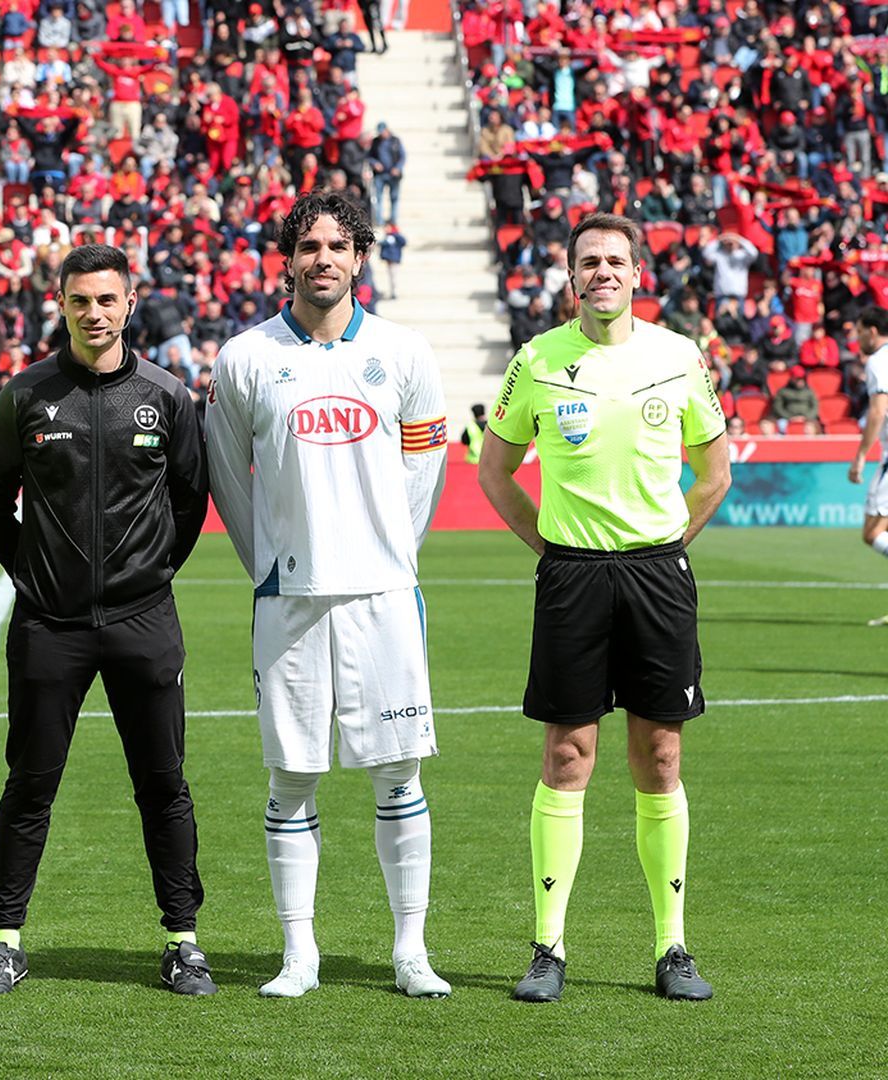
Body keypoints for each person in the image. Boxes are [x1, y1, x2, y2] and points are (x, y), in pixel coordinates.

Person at [477, 211, 731, 1004]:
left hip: (657, 575)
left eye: (615, 261)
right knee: (567, 756)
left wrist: (667, 547)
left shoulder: (679, 356)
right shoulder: (538, 360)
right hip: (574, 577)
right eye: (589, 262)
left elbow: (714, 472)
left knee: (660, 758)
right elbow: (495, 470)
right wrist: (550, 551)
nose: (603, 273)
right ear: (570, 276)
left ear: (637, 272)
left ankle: (671, 948)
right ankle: (548, 946)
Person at [206, 189, 452, 999]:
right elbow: (227, 480)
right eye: (309, 245)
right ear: (288, 258)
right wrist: (269, 564)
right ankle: (298, 956)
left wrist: (391, 552)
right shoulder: (245, 356)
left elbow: (424, 466)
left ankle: (410, 952)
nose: (323, 259)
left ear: (360, 256)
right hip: (291, 599)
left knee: (398, 776)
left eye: (337, 245)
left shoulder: (406, 353)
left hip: (384, 594)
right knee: (292, 778)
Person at [0, 243, 211, 997]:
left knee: (163, 783)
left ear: (129, 302)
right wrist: (40, 580)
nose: (94, 313)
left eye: (107, 300)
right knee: (30, 784)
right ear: (63, 305)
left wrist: (146, 575)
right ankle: (5, 940)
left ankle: (182, 940)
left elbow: (189, 502)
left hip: (145, 621)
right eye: (80, 301)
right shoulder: (27, 394)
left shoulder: (167, 395)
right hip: (50, 625)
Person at [845, 309, 888, 624]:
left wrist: (861, 454)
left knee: (873, 532)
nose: (856, 338)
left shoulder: (878, 361)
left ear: (872, 331)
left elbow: (878, 411)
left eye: (858, 331)